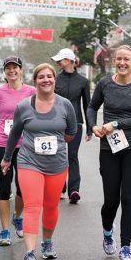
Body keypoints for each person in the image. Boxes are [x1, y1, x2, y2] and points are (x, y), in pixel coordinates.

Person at [1, 63, 77, 260]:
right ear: (35, 81)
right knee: (33, 206)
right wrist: (7, 158)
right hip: (29, 162)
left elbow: (71, 132)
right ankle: (30, 253)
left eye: (49, 76)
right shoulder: (24, 107)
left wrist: (57, 143)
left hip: (57, 164)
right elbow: (15, 134)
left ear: (54, 80)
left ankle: (48, 242)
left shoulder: (65, 105)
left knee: (51, 206)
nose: (46, 80)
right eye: (41, 77)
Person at [87, 45, 131, 260]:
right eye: (119, 59)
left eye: (127, 59)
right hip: (110, 149)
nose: (122, 63)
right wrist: (92, 126)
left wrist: (115, 123)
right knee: (111, 201)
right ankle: (107, 232)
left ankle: (126, 248)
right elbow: (92, 107)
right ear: (115, 61)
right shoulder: (105, 83)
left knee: (128, 198)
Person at [0, 56, 36, 247]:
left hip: (26, 146)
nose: (12, 71)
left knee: (23, 188)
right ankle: (5, 230)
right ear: (4, 72)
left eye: (15, 67)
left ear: (21, 70)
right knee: (4, 188)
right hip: (3, 145)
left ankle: (17, 216)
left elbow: (39, 117)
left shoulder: (32, 92)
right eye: (8, 68)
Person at [51, 48, 92, 203]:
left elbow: (88, 106)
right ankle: (60, 187)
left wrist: (89, 128)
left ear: (68, 60)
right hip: (56, 123)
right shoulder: (55, 79)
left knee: (72, 156)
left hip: (76, 123)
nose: (58, 62)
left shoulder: (83, 81)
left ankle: (74, 190)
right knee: (57, 155)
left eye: (60, 60)